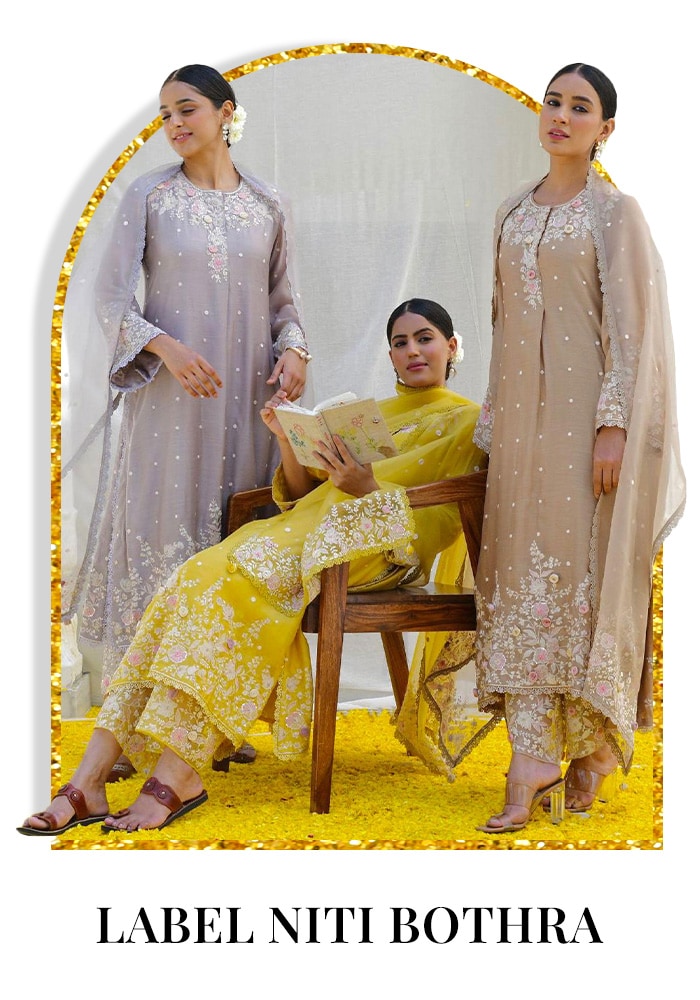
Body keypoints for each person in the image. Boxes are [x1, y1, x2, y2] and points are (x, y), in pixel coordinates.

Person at [21, 299, 486, 834]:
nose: (413, 351)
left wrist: (367, 489)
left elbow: (445, 517)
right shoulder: (369, 416)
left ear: (451, 346)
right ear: (391, 356)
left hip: (374, 547)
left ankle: (176, 774)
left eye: (425, 338)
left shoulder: (467, 419)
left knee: (239, 578)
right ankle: (89, 779)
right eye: (401, 343)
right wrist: (288, 439)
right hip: (303, 531)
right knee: (193, 576)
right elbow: (305, 494)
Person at [63, 65, 310, 780]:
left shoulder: (268, 203)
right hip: (170, 406)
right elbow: (110, 299)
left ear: (226, 112)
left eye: (188, 109)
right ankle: (131, 729)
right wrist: (165, 350)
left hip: (246, 406)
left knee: (228, 549)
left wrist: (296, 351)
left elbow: (287, 304)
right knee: (161, 538)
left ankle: (209, 725)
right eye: (165, 113)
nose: (174, 124)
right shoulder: (149, 196)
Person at [462, 63, 684, 832]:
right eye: (553, 101)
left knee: (576, 580)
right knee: (518, 578)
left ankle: (578, 753)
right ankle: (535, 757)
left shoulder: (615, 213)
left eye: (579, 107)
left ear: (605, 128)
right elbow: (502, 328)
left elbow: (632, 328)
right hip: (520, 432)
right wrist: (492, 428)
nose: (560, 114)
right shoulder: (511, 212)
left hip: (583, 426)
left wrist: (614, 425)